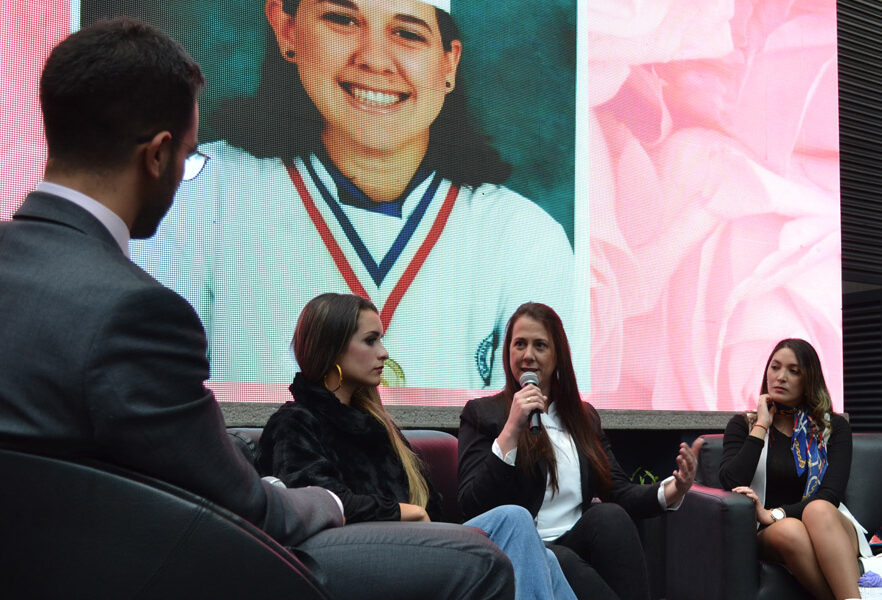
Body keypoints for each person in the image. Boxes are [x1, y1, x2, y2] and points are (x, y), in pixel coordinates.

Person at [0, 18, 514, 600]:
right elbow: (240, 509)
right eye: (190, 157)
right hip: (145, 568)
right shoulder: (138, 312)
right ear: (158, 155)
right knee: (477, 561)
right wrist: (330, 501)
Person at [130, 0, 577, 389]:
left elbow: (531, 434)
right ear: (286, 29)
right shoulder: (200, 192)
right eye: (342, 20)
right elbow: (157, 398)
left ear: (448, 64)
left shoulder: (523, 235)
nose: (375, 61)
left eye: (408, 33)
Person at [257, 292, 577, 600]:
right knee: (515, 521)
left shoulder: (377, 425)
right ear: (333, 349)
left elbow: (430, 511)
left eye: (381, 340)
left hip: (411, 545)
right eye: (371, 341)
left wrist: (421, 518)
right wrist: (403, 512)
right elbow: (318, 504)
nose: (384, 353)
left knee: (541, 554)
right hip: (354, 557)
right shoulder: (296, 422)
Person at [458, 302, 705, 600]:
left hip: (573, 540)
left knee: (610, 516)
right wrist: (511, 429)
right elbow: (472, 505)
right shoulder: (483, 415)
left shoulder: (583, 417)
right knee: (560, 560)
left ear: (557, 356)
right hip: (519, 547)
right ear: (507, 350)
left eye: (540, 345)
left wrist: (675, 489)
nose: (528, 355)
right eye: (519, 344)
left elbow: (618, 491)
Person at [719, 338, 875, 600]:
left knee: (818, 509)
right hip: (770, 532)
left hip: (828, 524)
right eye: (775, 367)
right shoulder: (744, 425)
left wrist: (775, 513)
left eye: (794, 371)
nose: (780, 377)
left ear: (809, 380)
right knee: (791, 529)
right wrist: (761, 426)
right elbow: (730, 481)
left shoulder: (832, 428)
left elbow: (830, 495)